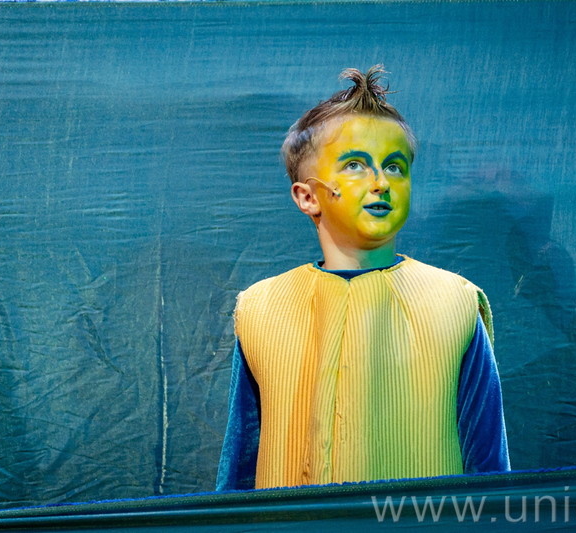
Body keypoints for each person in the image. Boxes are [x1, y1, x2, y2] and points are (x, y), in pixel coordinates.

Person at [216, 65, 510, 491]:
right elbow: (241, 463)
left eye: (395, 167)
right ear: (307, 196)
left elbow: (489, 468)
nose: (380, 183)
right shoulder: (262, 310)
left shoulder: (455, 305)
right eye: (355, 165)